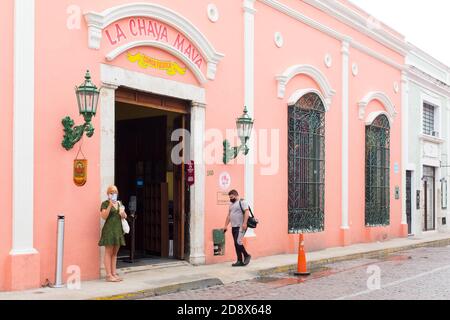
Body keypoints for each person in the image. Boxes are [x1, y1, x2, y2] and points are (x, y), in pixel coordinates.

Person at [99, 185, 127, 282]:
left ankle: (114, 273)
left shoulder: (119, 203)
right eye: (111, 192)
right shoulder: (105, 203)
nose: (113, 194)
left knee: (115, 254)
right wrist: (110, 205)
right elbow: (104, 216)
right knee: (108, 252)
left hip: (118, 230)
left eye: (115, 192)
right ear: (108, 194)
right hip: (109, 230)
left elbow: (124, 216)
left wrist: (122, 213)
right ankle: (108, 275)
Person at [223, 190, 252, 267]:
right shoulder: (231, 204)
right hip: (234, 227)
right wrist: (225, 226)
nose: (230, 198)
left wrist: (245, 223)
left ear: (236, 195)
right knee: (236, 244)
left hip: (241, 226)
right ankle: (239, 260)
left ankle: (246, 255)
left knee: (238, 242)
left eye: (232, 197)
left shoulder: (242, 202)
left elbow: (246, 212)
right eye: (230, 197)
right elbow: (229, 215)